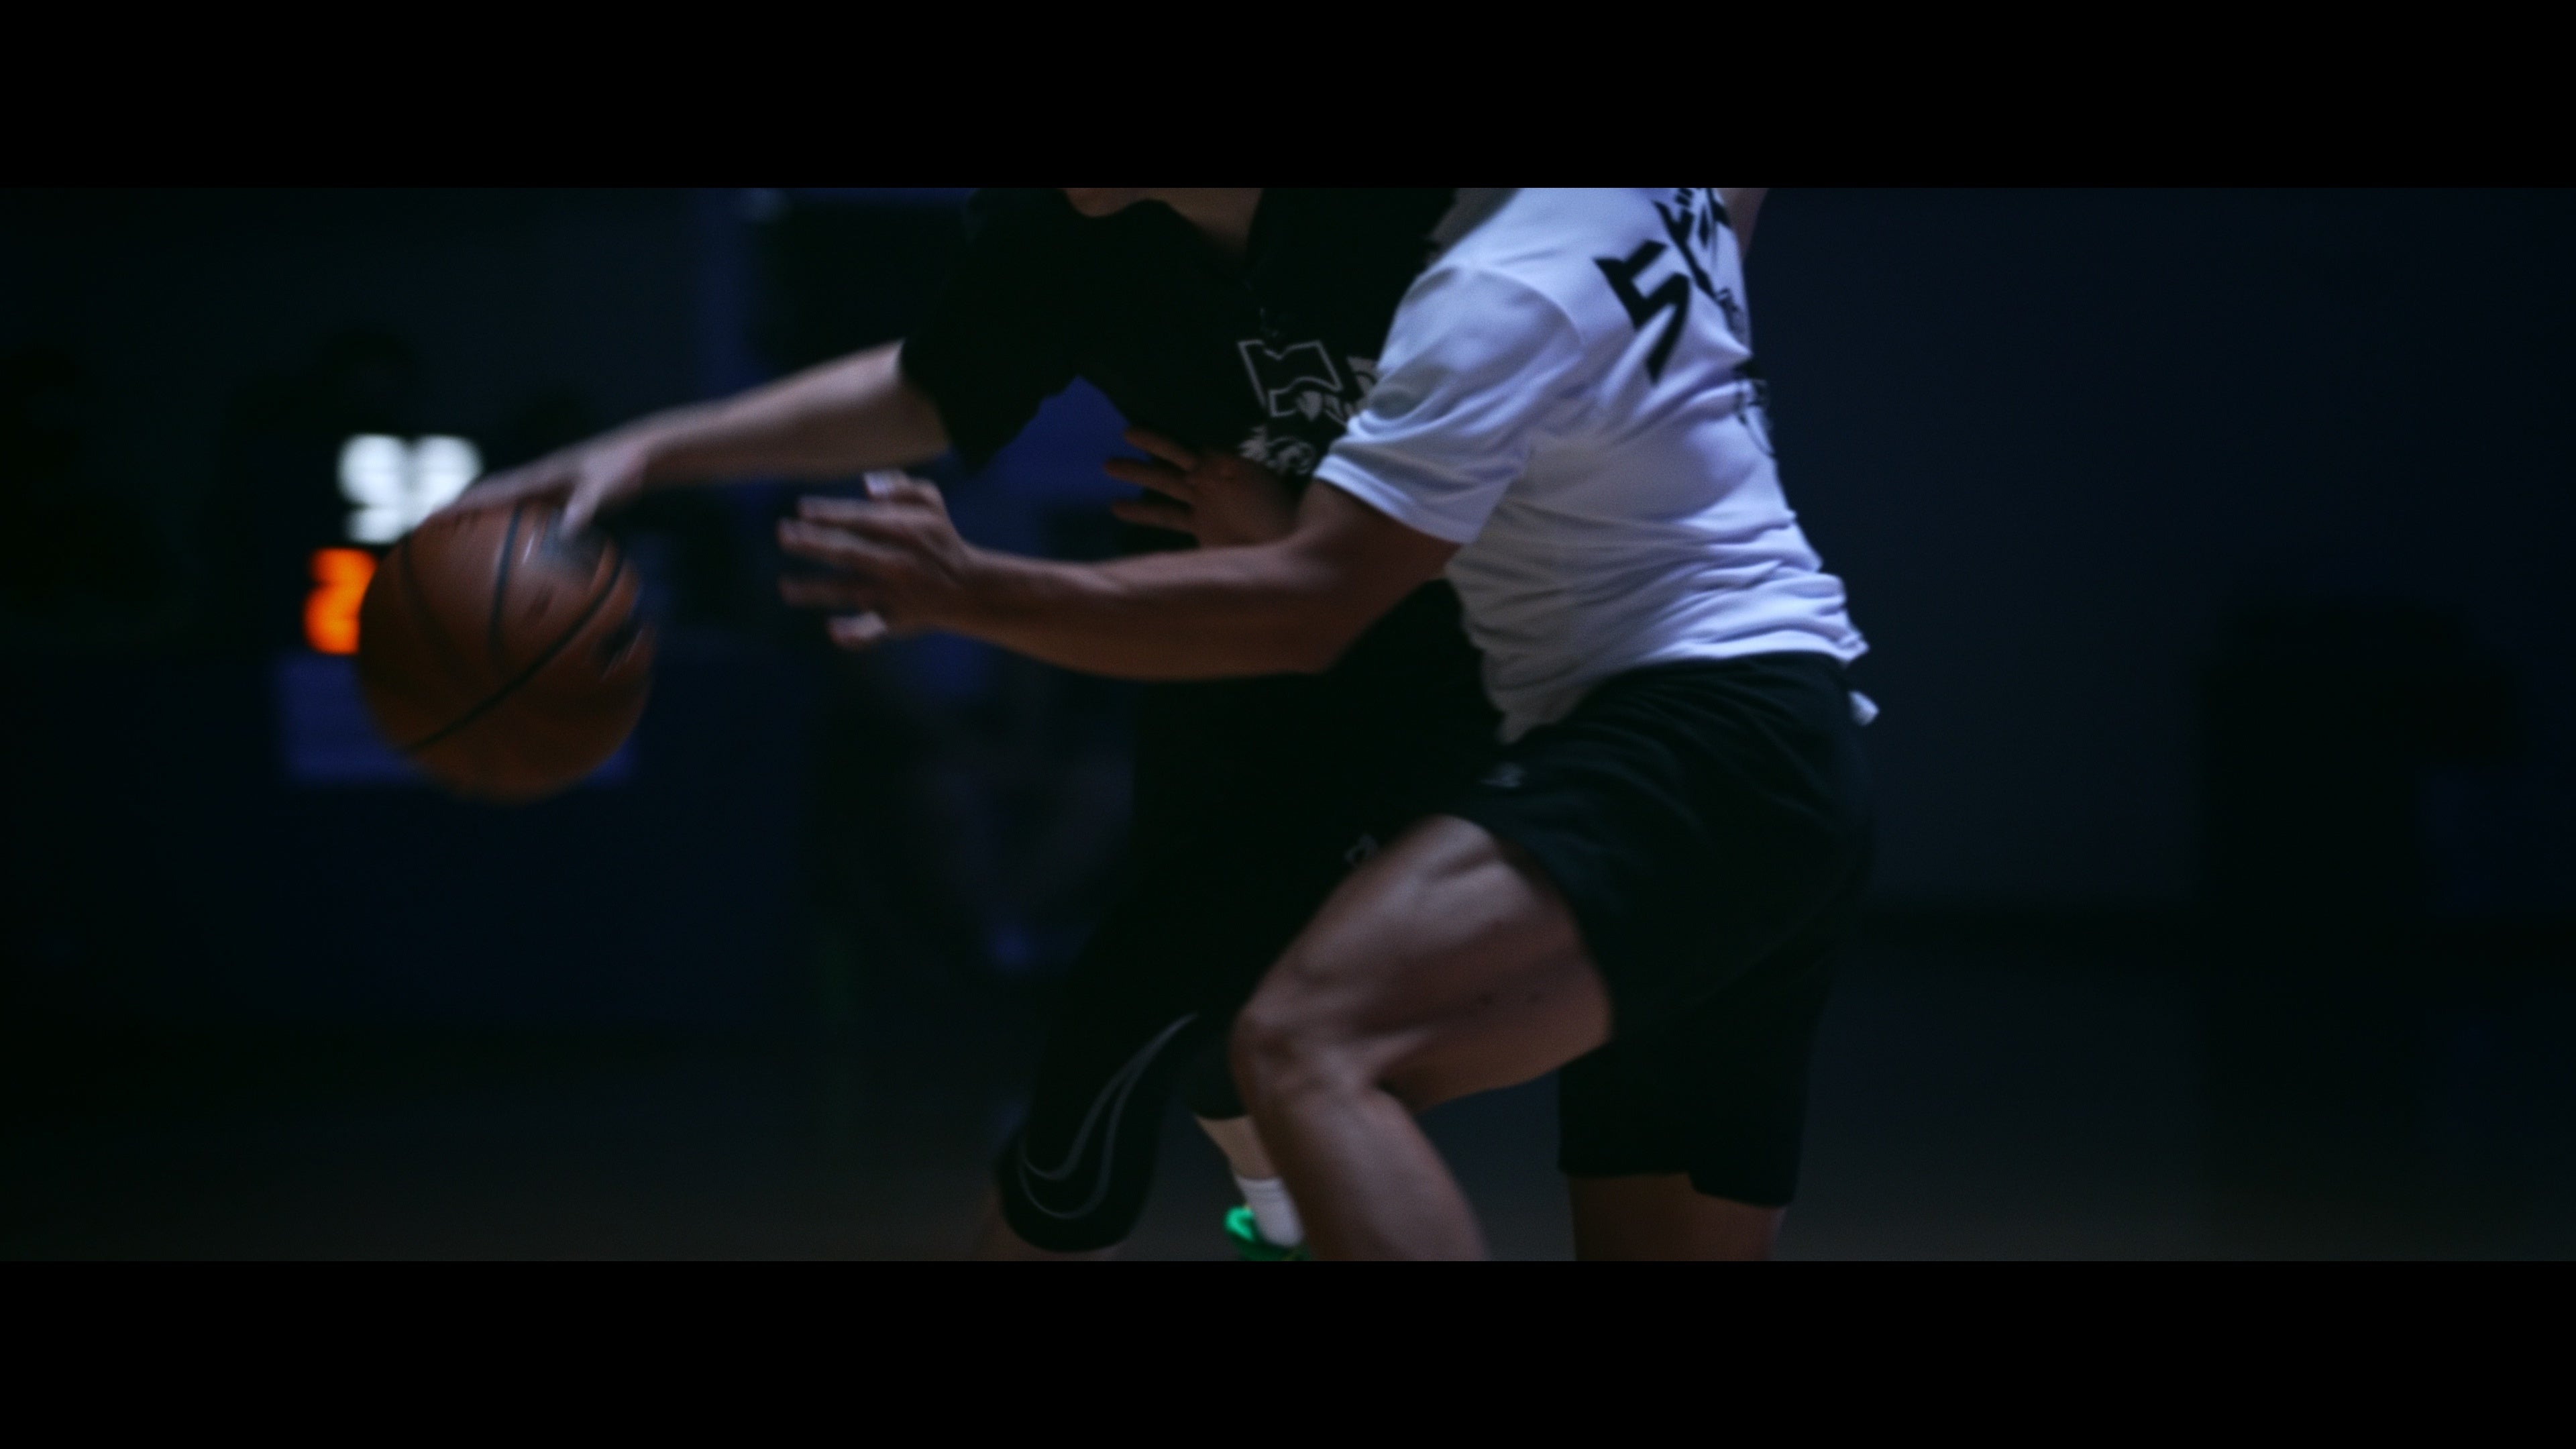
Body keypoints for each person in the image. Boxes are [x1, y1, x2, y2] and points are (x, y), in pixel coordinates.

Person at [776, 188, 1874, 1258]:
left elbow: (1311, 607)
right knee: (1275, 1043)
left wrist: (973, 590)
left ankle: (1279, 1215)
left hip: (1684, 732)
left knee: (1301, 1046)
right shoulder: (1635, 218)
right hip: (1790, 733)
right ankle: (1279, 1209)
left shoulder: (1495, 276)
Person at [466, 189, 1498, 1259]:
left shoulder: (1433, 225)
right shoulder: (1070, 228)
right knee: (1219, 1052)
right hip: (1218, 659)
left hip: (1466, 683)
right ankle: (1280, 1226)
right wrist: (650, 452)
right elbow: (933, 385)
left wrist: (1303, 553)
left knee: (1154, 1042)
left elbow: (1562, 485)